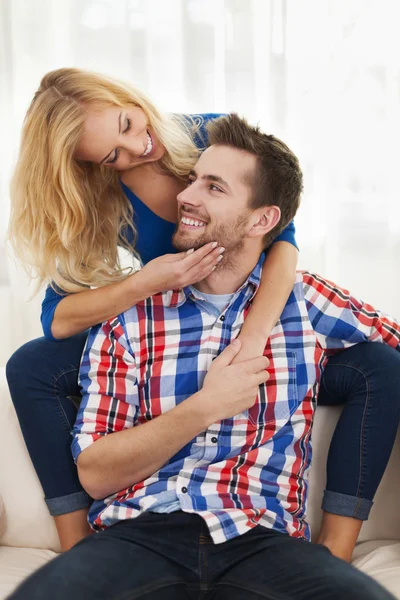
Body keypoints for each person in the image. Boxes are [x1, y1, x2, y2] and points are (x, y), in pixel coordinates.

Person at [6, 68, 400, 560]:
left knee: (380, 364)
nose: (137, 148)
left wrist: (252, 341)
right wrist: (146, 282)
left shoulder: (208, 136)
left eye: (129, 124)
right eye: (112, 155)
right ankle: (75, 541)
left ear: (128, 96)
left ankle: (337, 547)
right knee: (29, 365)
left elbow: (280, 247)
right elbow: (59, 320)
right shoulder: (97, 198)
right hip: (180, 332)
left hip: (253, 321)